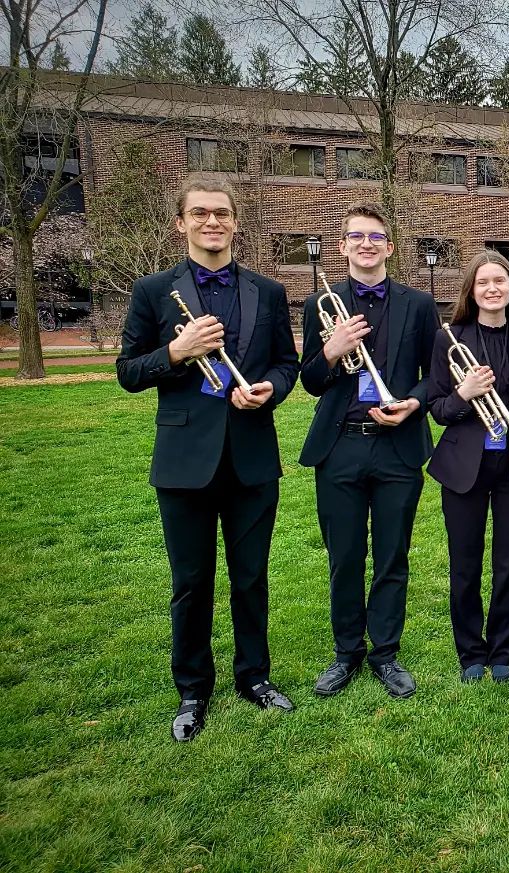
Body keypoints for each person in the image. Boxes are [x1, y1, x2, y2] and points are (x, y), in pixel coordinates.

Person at [116, 173, 299, 742]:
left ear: (236, 222)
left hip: (250, 457)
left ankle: (254, 678)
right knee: (191, 581)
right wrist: (175, 351)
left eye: (221, 212)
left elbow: (286, 363)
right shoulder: (152, 292)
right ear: (181, 223)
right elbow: (127, 372)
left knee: (251, 578)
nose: (211, 222)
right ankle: (193, 690)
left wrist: (270, 388)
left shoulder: (267, 291)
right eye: (200, 213)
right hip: (184, 460)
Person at [299, 202, 439, 700]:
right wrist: (332, 350)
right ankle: (346, 653)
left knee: (391, 556)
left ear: (390, 247)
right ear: (342, 247)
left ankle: (384, 652)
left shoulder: (419, 305)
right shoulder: (320, 302)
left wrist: (413, 405)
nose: (366, 244)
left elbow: (437, 378)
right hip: (339, 448)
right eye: (356, 237)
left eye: (376, 237)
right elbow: (311, 381)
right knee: (345, 556)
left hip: (397, 448)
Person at [427, 251, 509, 683]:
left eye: (500, 281)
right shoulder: (451, 339)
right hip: (463, 467)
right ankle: (470, 653)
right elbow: (439, 410)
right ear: (472, 291)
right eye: (483, 282)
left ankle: (502, 650)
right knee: (465, 564)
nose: (492, 289)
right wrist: (464, 392)